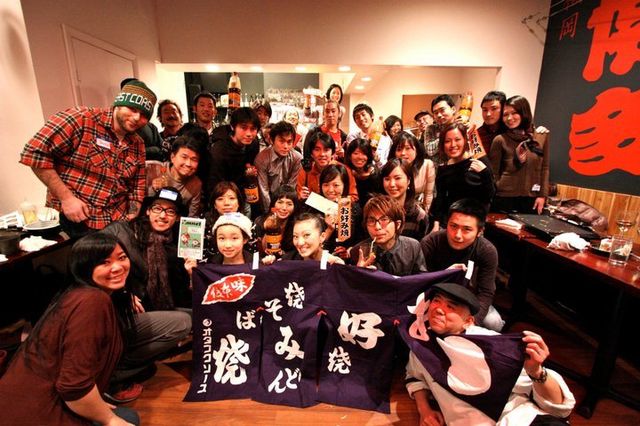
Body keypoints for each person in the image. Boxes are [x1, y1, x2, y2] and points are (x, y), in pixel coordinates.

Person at [0, 233, 140, 425]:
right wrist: (109, 419)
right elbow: (74, 387)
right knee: (128, 419)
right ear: (83, 268)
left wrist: (96, 404)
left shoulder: (78, 293)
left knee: (129, 416)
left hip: (25, 402)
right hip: (37, 412)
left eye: (122, 257)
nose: (117, 267)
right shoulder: (92, 301)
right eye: (104, 262)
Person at [405, 283, 575, 425]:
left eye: (451, 306)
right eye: (436, 301)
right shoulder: (421, 346)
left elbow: (557, 406)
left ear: (468, 321)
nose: (439, 309)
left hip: (520, 417)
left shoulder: (492, 344)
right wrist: (424, 410)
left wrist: (536, 371)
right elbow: (416, 378)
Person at [19, 80, 157, 237]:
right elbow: (35, 152)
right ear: (118, 104)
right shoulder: (81, 119)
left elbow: (137, 185)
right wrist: (67, 198)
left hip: (117, 222)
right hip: (79, 220)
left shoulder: (137, 143)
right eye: (132, 109)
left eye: (144, 115)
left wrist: (132, 214)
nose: (137, 117)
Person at [101, 188, 192, 401]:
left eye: (170, 211)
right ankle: (116, 372)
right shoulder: (125, 233)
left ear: (177, 218)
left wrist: (190, 273)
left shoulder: (179, 242)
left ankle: (136, 359)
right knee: (183, 323)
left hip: (155, 307)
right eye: (158, 208)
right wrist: (121, 292)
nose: (163, 215)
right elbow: (91, 261)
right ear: (148, 211)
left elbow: (180, 291)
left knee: (196, 318)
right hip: (120, 310)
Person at [421, 198, 503, 330]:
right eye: (453, 226)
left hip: (468, 301)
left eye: (467, 229)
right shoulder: (431, 243)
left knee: (493, 323)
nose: (457, 235)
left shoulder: (486, 251)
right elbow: (420, 281)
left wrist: (472, 322)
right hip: (435, 297)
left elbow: (486, 292)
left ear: (480, 231)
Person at [489, 96, 549, 214]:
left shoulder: (540, 137)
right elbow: (493, 174)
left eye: (514, 113)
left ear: (524, 113)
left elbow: (545, 168)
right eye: (505, 114)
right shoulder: (500, 140)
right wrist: (499, 188)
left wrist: (542, 195)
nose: (509, 118)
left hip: (532, 198)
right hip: (504, 198)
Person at [429, 123, 495, 232]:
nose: (452, 145)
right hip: (451, 222)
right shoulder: (443, 169)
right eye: (447, 141)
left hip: (473, 224)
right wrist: (436, 223)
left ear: (465, 140)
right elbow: (440, 199)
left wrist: (485, 173)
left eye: (457, 139)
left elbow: (490, 195)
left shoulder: (478, 161)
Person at [351, 195, 426, 276]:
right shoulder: (359, 251)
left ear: (397, 224)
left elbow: (422, 279)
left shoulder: (413, 247)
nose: (377, 227)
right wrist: (360, 274)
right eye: (371, 221)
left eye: (384, 219)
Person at [207, 107, 260, 212]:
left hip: (243, 195)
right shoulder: (219, 150)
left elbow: (248, 166)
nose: (249, 134)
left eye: (253, 129)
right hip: (222, 198)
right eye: (244, 128)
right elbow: (214, 184)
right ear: (232, 127)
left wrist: (248, 173)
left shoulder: (253, 143)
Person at [147, 135, 204, 217]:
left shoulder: (195, 184)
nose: (188, 164)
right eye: (184, 157)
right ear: (172, 157)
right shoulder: (153, 168)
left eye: (194, 159)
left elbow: (191, 218)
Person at [297, 130, 358, 203]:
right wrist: (300, 197)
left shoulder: (344, 170)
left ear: (332, 152)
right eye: (317, 150)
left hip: (338, 208)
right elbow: (298, 195)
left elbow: (354, 197)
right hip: (312, 209)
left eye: (326, 150)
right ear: (311, 153)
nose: (322, 154)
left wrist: (341, 201)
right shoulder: (306, 171)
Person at [254, 121, 302, 213]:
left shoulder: (297, 158)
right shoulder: (262, 159)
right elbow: (264, 192)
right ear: (272, 141)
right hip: (268, 202)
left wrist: (285, 210)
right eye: (281, 141)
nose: (286, 146)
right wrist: (271, 212)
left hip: (288, 202)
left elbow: (291, 188)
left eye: (289, 142)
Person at [318, 164, 363, 258]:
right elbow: (311, 244)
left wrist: (350, 250)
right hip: (319, 259)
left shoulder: (353, 208)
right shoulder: (314, 206)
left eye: (336, 185)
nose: (330, 190)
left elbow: (360, 240)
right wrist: (329, 229)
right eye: (326, 185)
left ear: (344, 185)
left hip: (345, 261)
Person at [380, 158, 428, 240]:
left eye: (397, 178)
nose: (392, 184)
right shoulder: (376, 210)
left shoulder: (419, 216)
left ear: (408, 180)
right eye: (387, 179)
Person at [391, 132, 435, 212]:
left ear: (417, 150)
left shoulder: (427, 165)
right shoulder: (392, 169)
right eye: (399, 149)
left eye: (408, 148)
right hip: (396, 209)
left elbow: (428, 195)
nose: (403, 153)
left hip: (418, 210)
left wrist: (425, 214)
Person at [278, 212, 344, 265]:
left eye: (306, 235)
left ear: (322, 237)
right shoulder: (288, 261)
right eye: (295, 236)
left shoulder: (334, 264)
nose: (300, 243)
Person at [202, 181, 245, 259]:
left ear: (238, 203)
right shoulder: (204, 224)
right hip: (209, 265)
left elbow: (254, 257)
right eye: (220, 199)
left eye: (231, 198)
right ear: (214, 205)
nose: (226, 203)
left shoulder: (248, 225)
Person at [254, 185, 298, 256]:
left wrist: (283, 254)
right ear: (273, 204)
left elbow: (295, 253)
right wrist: (269, 229)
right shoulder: (259, 221)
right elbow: (259, 251)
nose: (284, 208)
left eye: (289, 204)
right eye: (280, 202)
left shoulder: (297, 225)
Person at [344, 138, 381, 210]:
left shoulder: (375, 174)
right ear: (349, 156)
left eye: (364, 153)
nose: (360, 157)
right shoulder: (346, 172)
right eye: (356, 153)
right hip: (351, 211)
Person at [423, 94, 458, 166]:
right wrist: (447, 133)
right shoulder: (431, 129)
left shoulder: (461, 127)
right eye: (436, 113)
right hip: (438, 170)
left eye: (442, 110)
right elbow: (430, 151)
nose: (439, 115)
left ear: (453, 109)